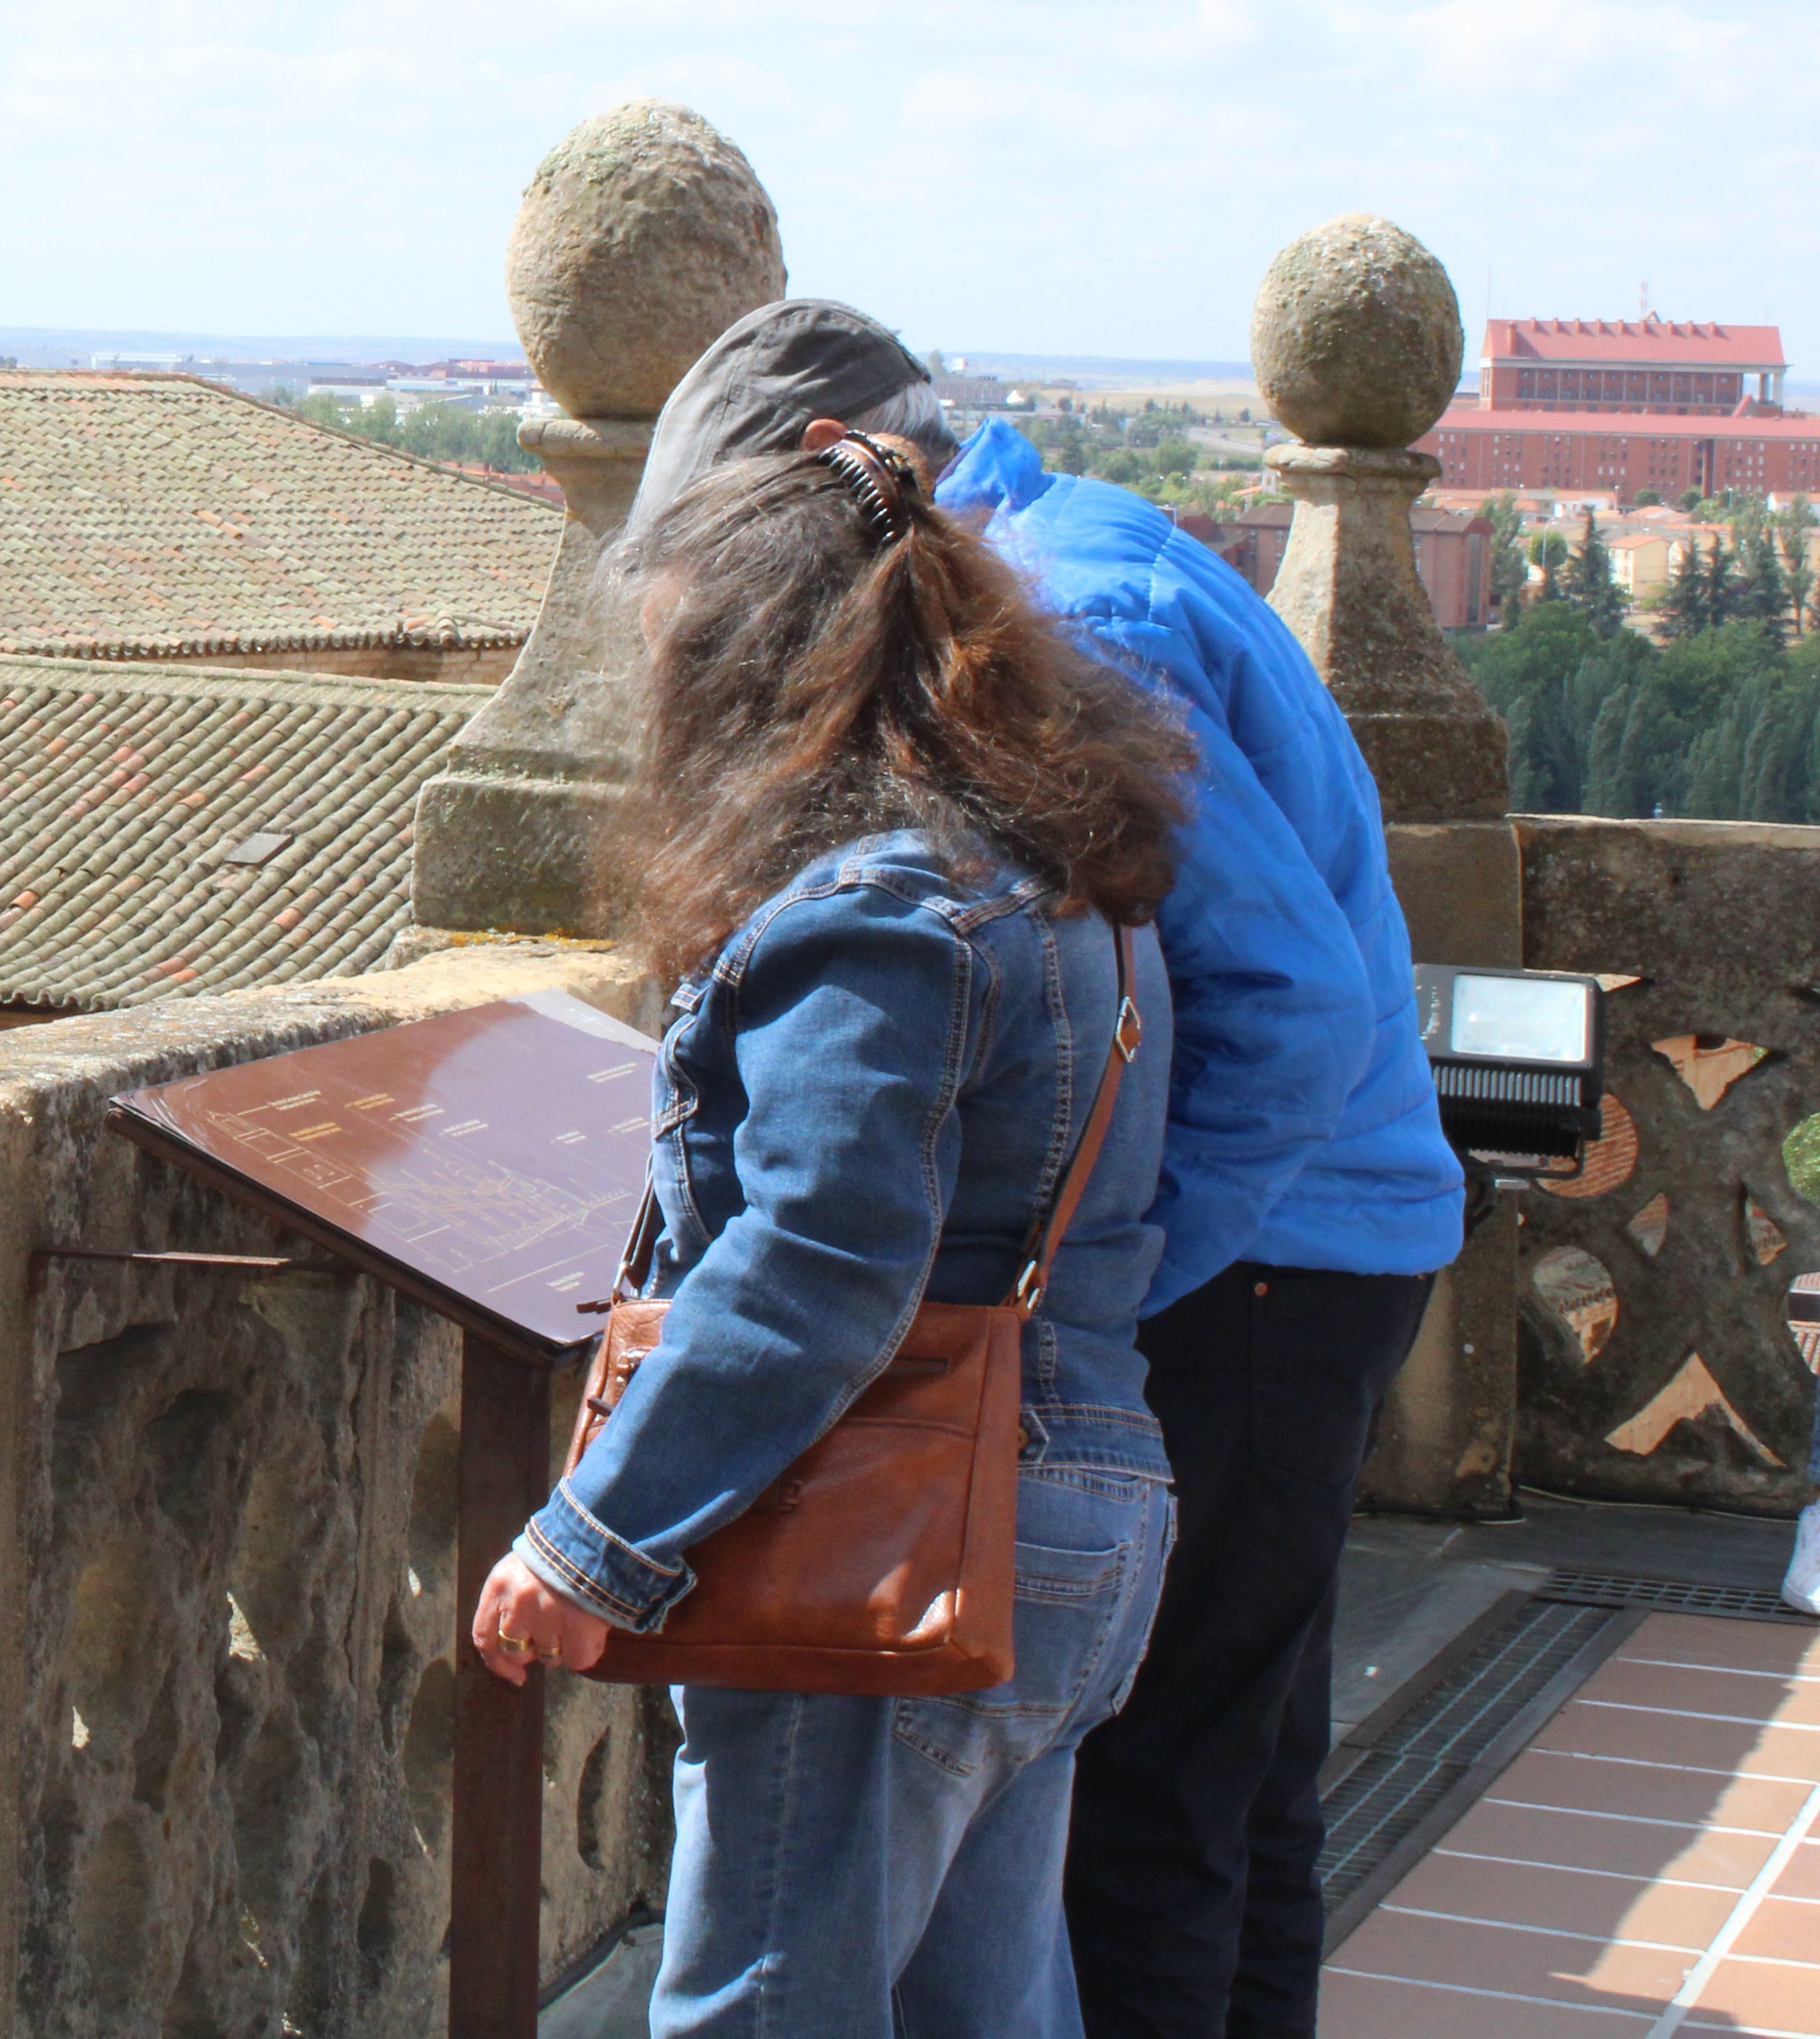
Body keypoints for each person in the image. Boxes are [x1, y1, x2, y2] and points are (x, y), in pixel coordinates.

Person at [613, 299, 1467, 2038]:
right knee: (1225, 1799)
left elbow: (1283, 1018)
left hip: (1253, 1267)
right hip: (1321, 1244)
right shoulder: (1072, 553)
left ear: (820, 488)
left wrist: (1081, 1295)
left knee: (1146, 1833)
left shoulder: (1065, 612)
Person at [472, 426, 1191, 2037]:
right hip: (1081, 1505)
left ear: (755, 674)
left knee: (769, 2010)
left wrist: (593, 1534)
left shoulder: (878, 912)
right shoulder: (1064, 880)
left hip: (889, 1529)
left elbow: (817, 1266)